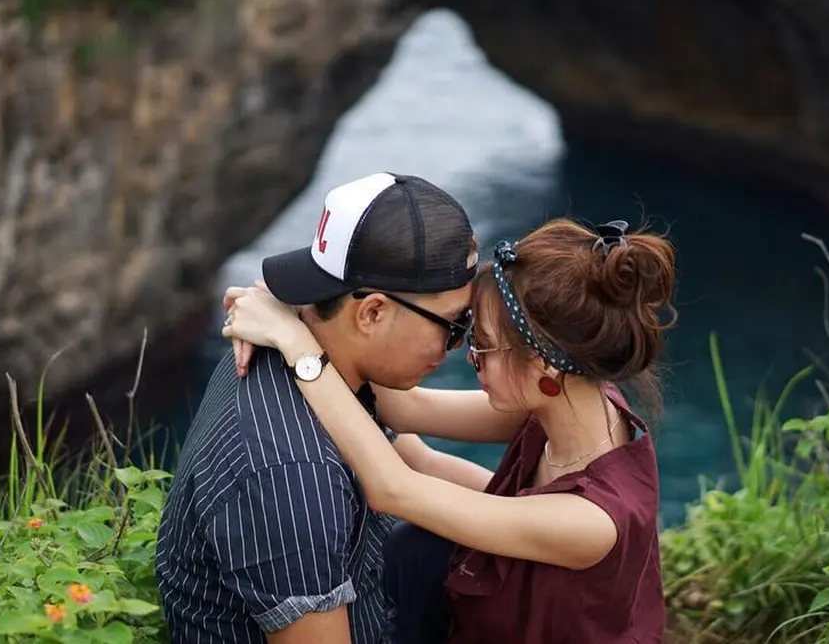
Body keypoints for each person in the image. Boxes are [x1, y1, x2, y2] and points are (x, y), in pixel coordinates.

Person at [222, 218, 676, 643]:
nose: (468, 356)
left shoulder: (594, 522)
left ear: (544, 364)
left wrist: (297, 346)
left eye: (482, 345)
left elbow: (394, 490)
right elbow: (407, 411)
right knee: (416, 547)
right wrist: (296, 308)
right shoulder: (574, 405)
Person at [156, 172, 496, 644]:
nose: (457, 347)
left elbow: (411, 457)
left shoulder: (315, 353)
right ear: (372, 312)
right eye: (454, 326)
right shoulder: (294, 471)